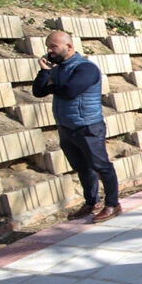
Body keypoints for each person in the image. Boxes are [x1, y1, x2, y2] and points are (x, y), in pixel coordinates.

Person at [32, 31, 120, 222]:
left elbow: (70, 91)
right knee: (82, 168)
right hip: (66, 128)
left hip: (88, 126)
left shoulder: (86, 69)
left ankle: (113, 204)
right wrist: (45, 71)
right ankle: (91, 203)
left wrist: (53, 86)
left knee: (101, 165)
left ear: (69, 47)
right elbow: (38, 91)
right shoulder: (57, 70)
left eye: (53, 46)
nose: (49, 51)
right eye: (48, 46)